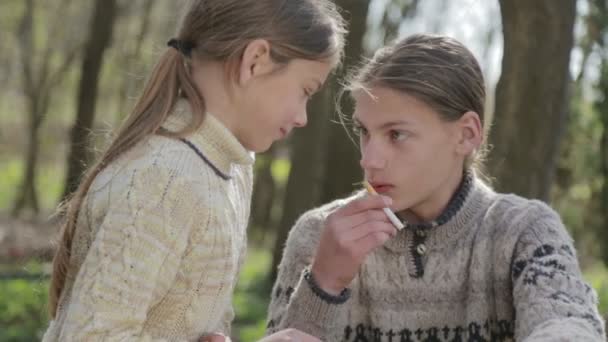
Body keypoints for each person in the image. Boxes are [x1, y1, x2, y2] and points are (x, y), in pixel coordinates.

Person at [266, 34, 606, 341]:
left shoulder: (525, 232)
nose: (369, 160)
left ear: (466, 134)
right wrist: (324, 283)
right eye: (365, 132)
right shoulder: (319, 235)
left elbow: (569, 327)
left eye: (396, 134)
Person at [42, 0, 346, 340]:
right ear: (255, 61)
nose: (302, 117)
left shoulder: (231, 169)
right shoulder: (163, 181)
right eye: (305, 91)